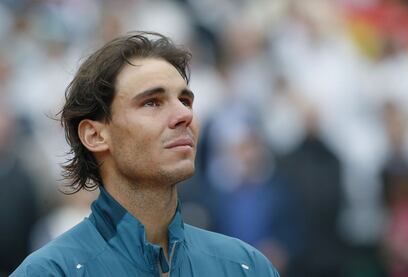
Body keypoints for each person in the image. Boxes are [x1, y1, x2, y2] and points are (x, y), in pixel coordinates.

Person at [11, 31, 279, 277]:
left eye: (185, 101)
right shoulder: (50, 272)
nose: (185, 115)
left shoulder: (246, 267)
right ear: (95, 135)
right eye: (152, 102)